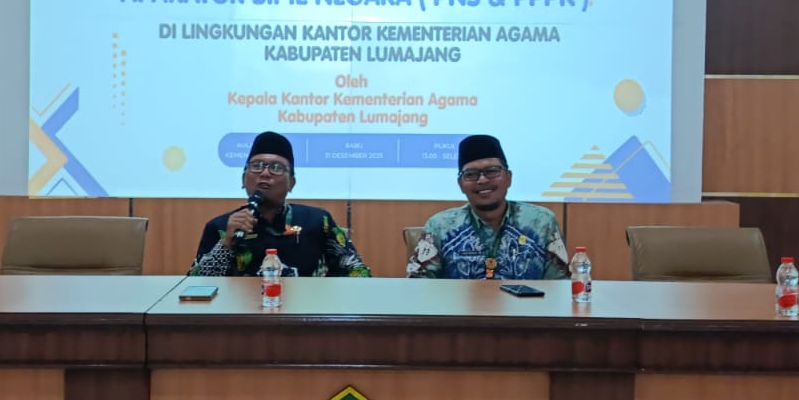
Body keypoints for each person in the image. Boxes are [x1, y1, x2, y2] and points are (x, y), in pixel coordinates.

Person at [188, 131, 370, 277]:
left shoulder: (318, 221)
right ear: (243, 179)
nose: (265, 173)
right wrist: (226, 244)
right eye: (257, 166)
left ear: (292, 183)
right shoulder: (220, 227)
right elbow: (197, 285)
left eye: (276, 168)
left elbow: (356, 270)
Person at [407, 134, 569, 280]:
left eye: (492, 171)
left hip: (527, 305)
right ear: (461, 184)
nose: (483, 180)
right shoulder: (440, 226)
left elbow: (561, 286)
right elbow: (417, 285)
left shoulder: (541, 222)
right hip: (458, 305)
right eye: (471, 174)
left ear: (508, 178)